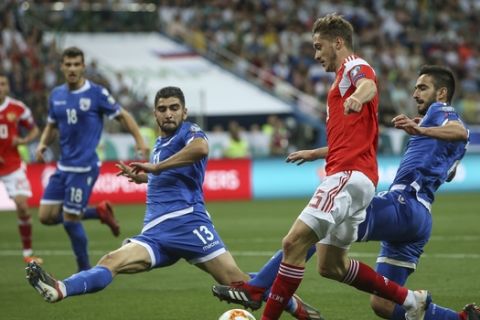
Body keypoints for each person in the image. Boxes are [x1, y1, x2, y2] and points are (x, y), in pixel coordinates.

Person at [25, 86, 321, 320]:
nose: (169, 114)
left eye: (174, 108)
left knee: (241, 286)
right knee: (111, 261)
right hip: (154, 234)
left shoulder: (189, 132)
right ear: (155, 114)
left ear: (184, 111)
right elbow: (166, 174)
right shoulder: (158, 144)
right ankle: (61, 288)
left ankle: (296, 303)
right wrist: (145, 177)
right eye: (163, 109)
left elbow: (201, 149)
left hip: (187, 224)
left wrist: (155, 168)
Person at [213, 65, 479, 320]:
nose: (415, 93)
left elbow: (460, 130)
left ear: (442, 93)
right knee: (384, 304)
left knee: (320, 224)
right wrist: (316, 153)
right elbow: (368, 148)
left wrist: (421, 129)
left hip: (404, 205)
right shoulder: (433, 126)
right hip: (418, 220)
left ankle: (256, 287)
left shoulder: (441, 111)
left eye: (422, 87)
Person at [214, 14, 429, 320]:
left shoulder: (353, 66)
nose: (316, 55)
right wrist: (317, 152)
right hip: (356, 176)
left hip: (348, 176)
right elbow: (351, 136)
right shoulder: (339, 82)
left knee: (293, 242)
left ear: (337, 42)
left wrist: (357, 96)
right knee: (331, 265)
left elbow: (368, 83)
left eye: (319, 46)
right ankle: (410, 301)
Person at [34, 47, 149, 271]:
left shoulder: (96, 93)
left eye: (77, 64)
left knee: (69, 220)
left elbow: (123, 115)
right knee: (46, 217)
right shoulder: (56, 95)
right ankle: (98, 212)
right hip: (63, 167)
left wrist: (139, 140)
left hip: (85, 167)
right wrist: (42, 143)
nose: (72, 69)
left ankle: (84, 269)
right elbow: (51, 125)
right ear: (61, 67)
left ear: (84, 67)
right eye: (68, 64)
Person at [0, 72, 42, 264]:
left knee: (24, 207)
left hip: (12, 165)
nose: (0, 87)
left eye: (3, 84)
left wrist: (24, 140)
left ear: (8, 87)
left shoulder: (18, 108)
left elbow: (34, 129)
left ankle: (28, 252)